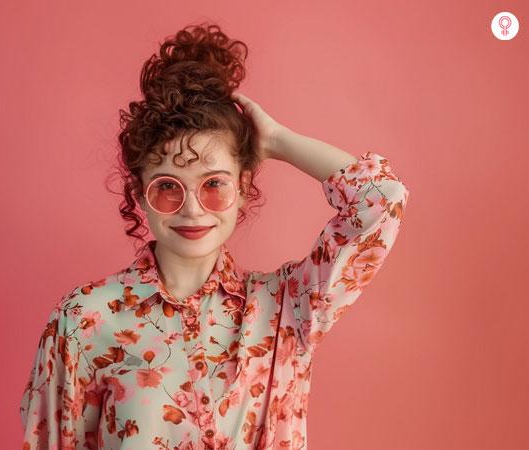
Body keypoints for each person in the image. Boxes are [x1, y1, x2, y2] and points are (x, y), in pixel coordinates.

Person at [20, 22, 409, 450]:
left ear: (243, 188)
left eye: (213, 184)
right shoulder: (85, 320)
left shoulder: (286, 309)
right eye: (167, 186)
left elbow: (381, 200)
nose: (191, 208)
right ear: (139, 194)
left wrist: (278, 141)